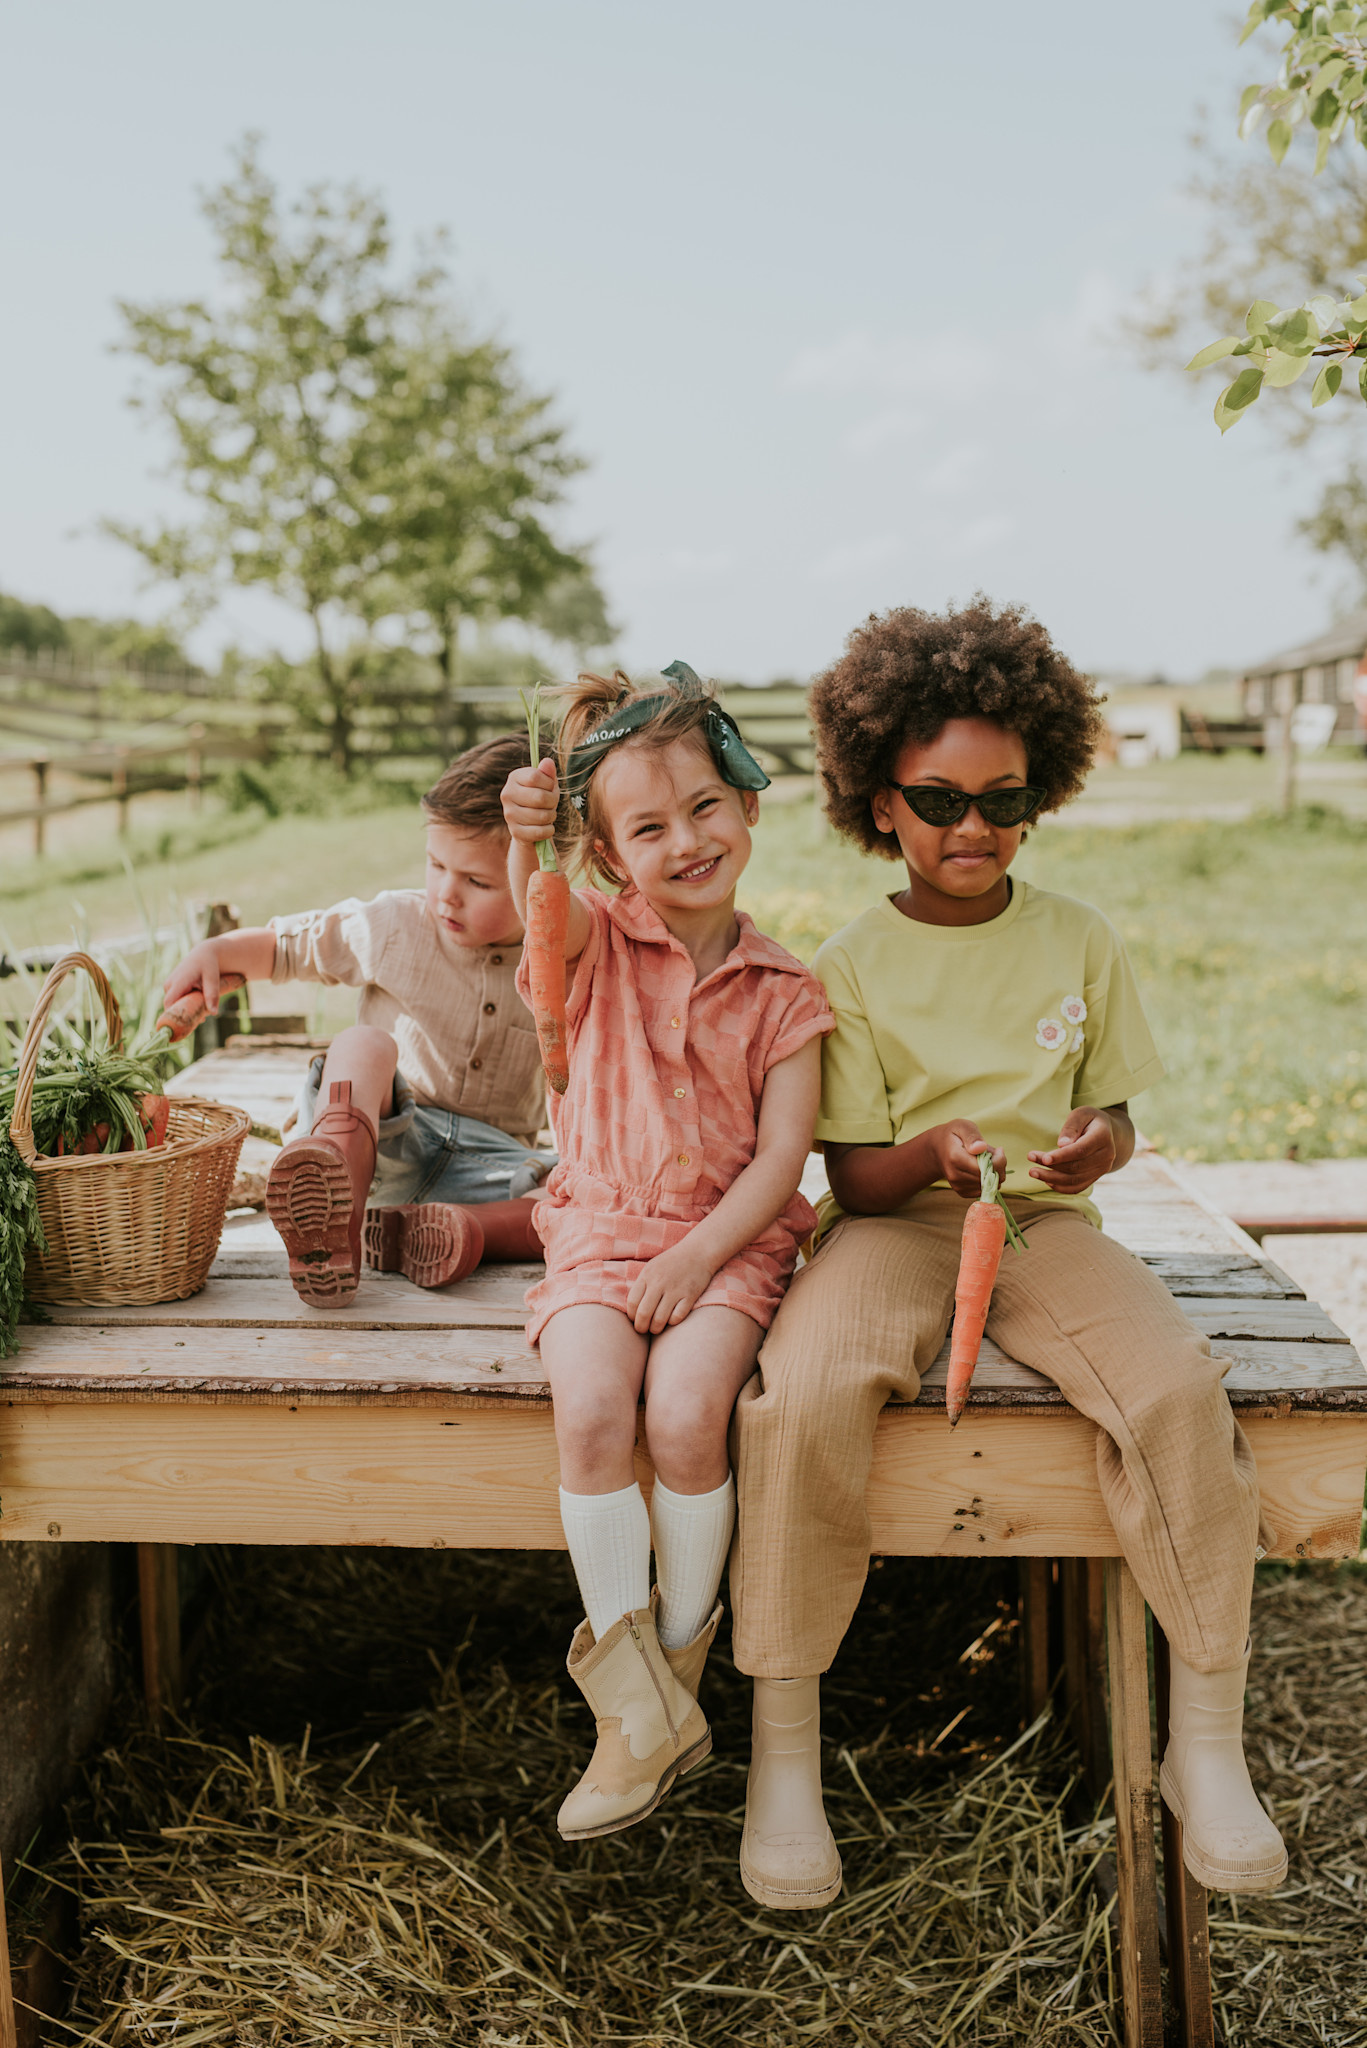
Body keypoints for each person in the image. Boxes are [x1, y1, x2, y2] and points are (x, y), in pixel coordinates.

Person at [728, 598, 1288, 1911]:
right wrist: (931, 1153)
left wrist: (1096, 1147)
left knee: (1174, 1388)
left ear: (1042, 795)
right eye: (936, 800)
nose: (969, 827)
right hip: (891, 1226)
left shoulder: (1077, 937)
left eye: (1002, 799)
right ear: (878, 803)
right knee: (799, 1398)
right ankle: (782, 1758)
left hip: (1040, 1226)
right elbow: (848, 1175)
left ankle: (1204, 1745)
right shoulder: (848, 964)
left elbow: (1112, 1116)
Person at [500, 662, 834, 1842]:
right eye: (648, 827)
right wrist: (524, 842)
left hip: (726, 1243)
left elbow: (781, 1159)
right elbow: (539, 912)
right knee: (594, 1407)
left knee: (691, 1414)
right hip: (599, 1227)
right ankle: (634, 1709)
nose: (687, 841)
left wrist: (697, 1258)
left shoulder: (786, 991)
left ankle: (669, 1678)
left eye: (704, 807)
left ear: (747, 804)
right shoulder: (597, 941)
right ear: (607, 855)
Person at [161, 735, 556, 1308]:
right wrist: (218, 954)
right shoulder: (395, 923)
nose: (447, 894)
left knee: (581, 1196)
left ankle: (457, 1231)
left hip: (485, 1171)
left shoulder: (562, 962)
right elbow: (290, 947)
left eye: (477, 882)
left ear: (537, 875)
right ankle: (332, 1205)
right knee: (365, 1045)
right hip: (377, 1137)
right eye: (436, 865)